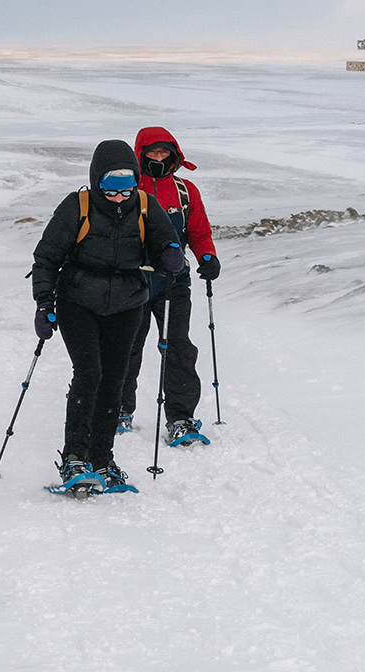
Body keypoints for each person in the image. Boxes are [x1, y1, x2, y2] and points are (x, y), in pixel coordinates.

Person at [31, 139, 185, 493]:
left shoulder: (145, 205)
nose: (119, 198)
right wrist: (44, 304)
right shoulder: (77, 206)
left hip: (127, 303)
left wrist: (170, 254)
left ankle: (102, 460)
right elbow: (46, 258)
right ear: (96, 181)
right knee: (89, 374)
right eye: (111, 191)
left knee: (114, 380)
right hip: (78, 301)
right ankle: (74, 458)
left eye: (126, 190)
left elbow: (164, 242)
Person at [116, 126, 221, 446]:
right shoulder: (125, 189)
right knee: (125, 347)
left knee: (178, 348)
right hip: (131, 281)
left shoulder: (185, 191)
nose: (159, 158)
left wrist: (207, 256)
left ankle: (181, 418)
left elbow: (198, 232)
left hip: (174, 282)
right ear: (140, 154)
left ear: (174, 155)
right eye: (153, 152)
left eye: (164, 153)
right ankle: (118, 409)